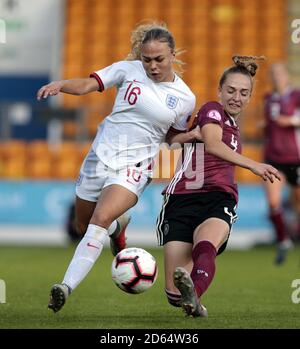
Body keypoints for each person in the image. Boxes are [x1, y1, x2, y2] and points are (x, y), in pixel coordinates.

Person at [37, 22, 202, 313]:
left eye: (159, 59)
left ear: (173, 55)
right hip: (100, 156)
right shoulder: (128, 69)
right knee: (83, 225)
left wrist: (192, 135)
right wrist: (61, 85)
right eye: (147, 59)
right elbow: (90, 84)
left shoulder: (185, 98)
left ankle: (65, 286)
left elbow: (171, 136)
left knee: (99, 219)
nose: (152, 65)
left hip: (135, 165)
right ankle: (118, 228)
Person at [156, 55, 281, 317]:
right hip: (183, 198)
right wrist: (254, 165)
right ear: (219, 91)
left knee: (207, 243)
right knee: (173, 295)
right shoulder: (212, 109)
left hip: (219, 196)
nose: (237, 97)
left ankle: (195, 298)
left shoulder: (233, 125)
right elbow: (212, 145)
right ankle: (190, 299)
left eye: (244, 93)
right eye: (231, 90)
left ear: (250, 97)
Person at [263, 62, 300, 264]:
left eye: (279, 73)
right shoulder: (268, 99)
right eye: (273, 74)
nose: (276, 77)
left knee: (297, 203)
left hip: (296, 158)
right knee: (273, 202)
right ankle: (283, 240)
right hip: (273, 158)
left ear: (286, 76)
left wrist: (291, 121)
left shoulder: (295, 96)